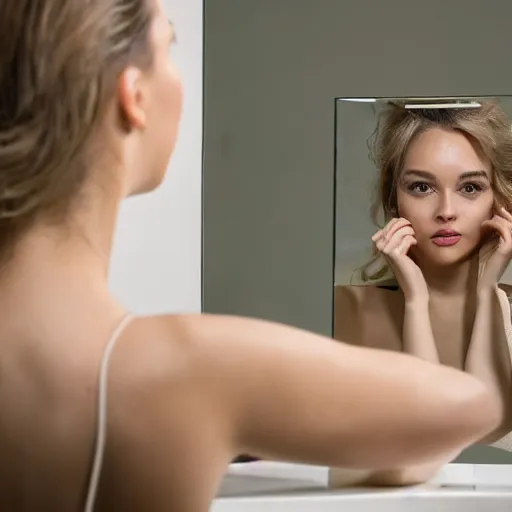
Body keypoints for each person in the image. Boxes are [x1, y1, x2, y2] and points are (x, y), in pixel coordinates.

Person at [0, 1, 502, 510]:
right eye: (169, 46)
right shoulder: (193, 366)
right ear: (133, 96)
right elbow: (471, 407)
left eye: (468, 188)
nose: (445, 210)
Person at [335, 100, 512, 453]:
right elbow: (430, 434)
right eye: (421, 187)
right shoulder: (344, 309)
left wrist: (487, 289)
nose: (446, 211)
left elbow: (480, 434)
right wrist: (415, 300)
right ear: (393, 198)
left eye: (470, 188)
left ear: (498, 200)